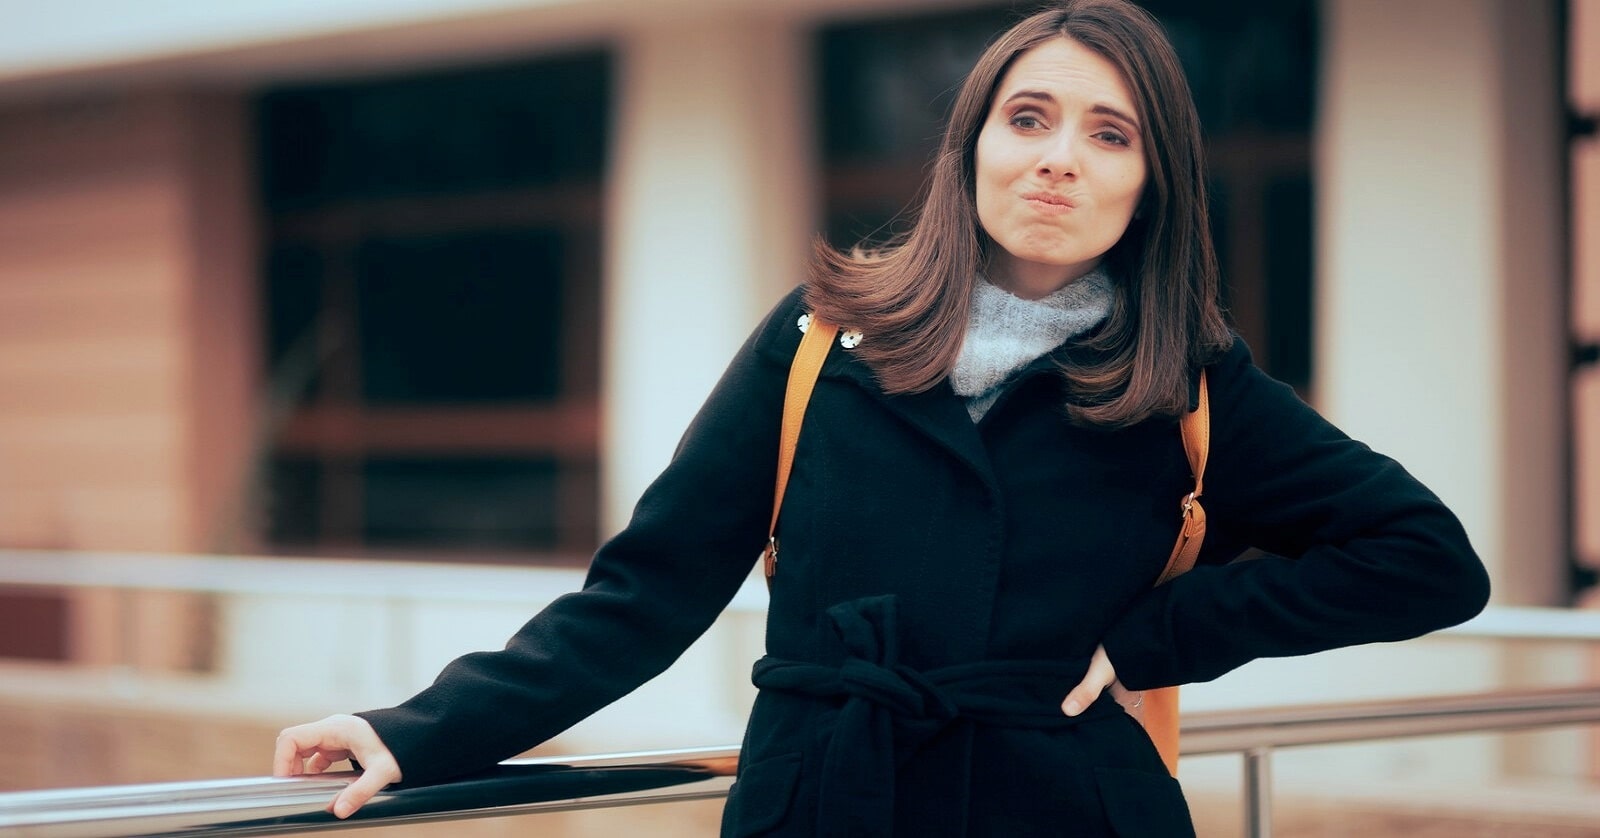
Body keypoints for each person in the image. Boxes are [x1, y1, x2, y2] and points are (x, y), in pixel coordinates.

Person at [273, 1, 1491, 834]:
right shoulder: (817, 343)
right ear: (970, 150)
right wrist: (422, 729)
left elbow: (1426, 561)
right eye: (1029, 118)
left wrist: (1156, 637)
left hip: (1071, 804)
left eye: (1107, 134)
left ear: (1150, 180)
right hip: (824, 800)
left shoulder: (1189, 377)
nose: (1059, 158)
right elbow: (645, 590)